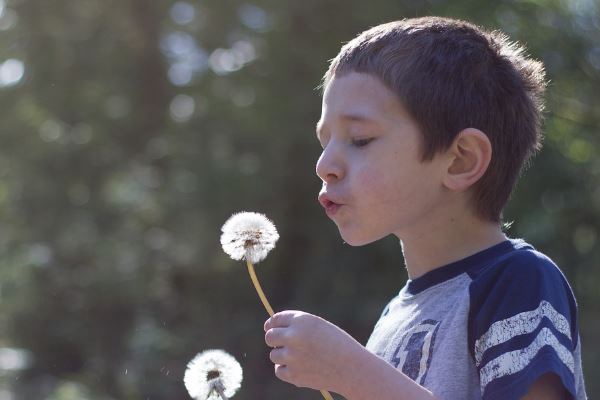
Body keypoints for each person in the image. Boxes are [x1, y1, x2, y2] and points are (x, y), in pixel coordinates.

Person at [263, 16, 587, 400]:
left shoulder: (517, 280)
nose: (324, 165)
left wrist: (354, 374)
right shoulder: (394, 316)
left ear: (460, 160)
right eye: (325, 141)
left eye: (360, 139)